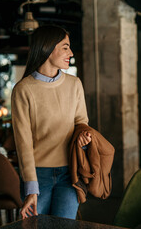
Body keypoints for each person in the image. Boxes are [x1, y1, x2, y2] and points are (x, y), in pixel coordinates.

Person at [11, 25, 92, 220]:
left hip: (70, 173)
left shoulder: (75, 84)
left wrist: (84, 137)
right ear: (48, 48)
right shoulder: (23, 90)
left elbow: (81, 122)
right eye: (65, 47)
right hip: (39, 176)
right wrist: (31, 189)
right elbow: (24, 144)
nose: (70, 53)